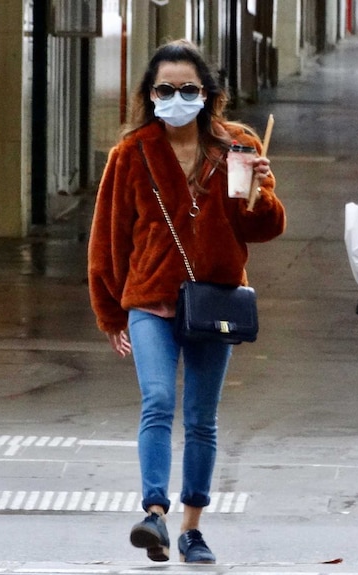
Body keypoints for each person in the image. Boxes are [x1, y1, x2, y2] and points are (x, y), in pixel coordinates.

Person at [88, 39, 286, 564]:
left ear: (208, 92)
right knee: (157, 401)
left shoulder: (237, 146)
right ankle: (154, 513)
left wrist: (263, 193)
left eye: (189, 88)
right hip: (149, 297)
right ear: (149, 95)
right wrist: (110, 311)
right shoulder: (131, 154)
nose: (177, 97)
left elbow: (262, 229)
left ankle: (193, 527)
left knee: (201, 417)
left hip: (215, 299)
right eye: (166, 89)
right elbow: (109, 238)